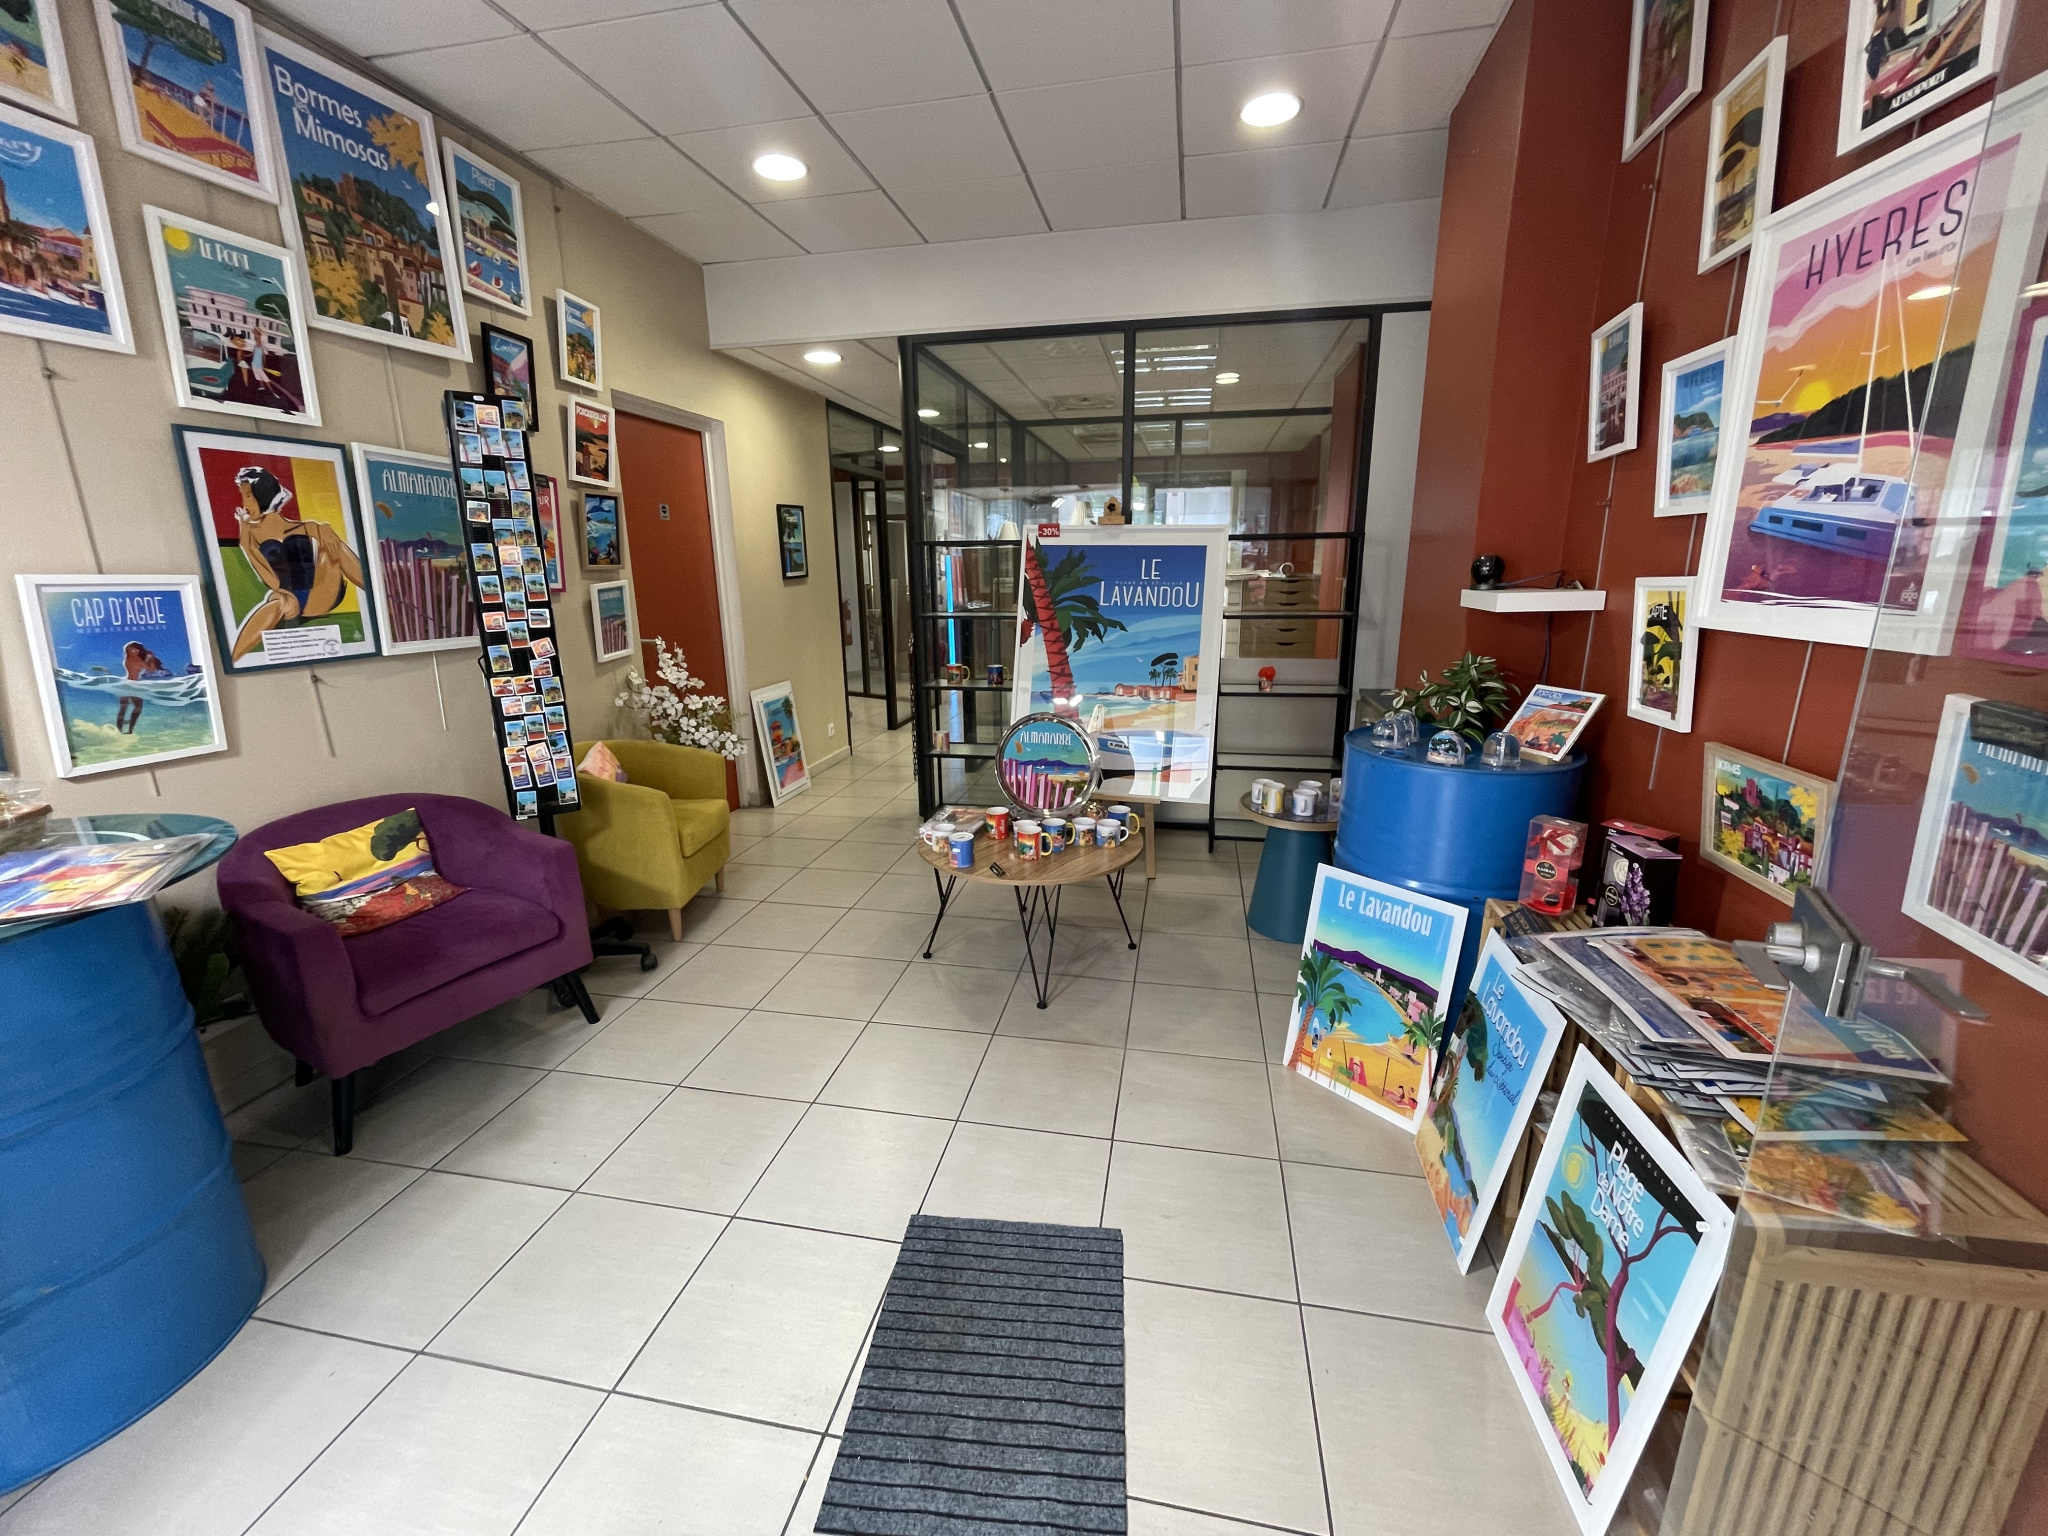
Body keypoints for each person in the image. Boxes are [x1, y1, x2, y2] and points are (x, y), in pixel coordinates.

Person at [227, 464, 367, 661]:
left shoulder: (307, 527)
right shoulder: (251, 536)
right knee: (280, 599)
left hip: (321, 594)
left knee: (331, 544)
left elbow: (328, 543)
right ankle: (234, 659)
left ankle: (382, 596)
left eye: (248, 495)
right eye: (243, 496)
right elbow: (273, 582)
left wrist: (325, 530)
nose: (244, 503)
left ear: (263, 495)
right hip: (288, 599)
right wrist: (246, 542)